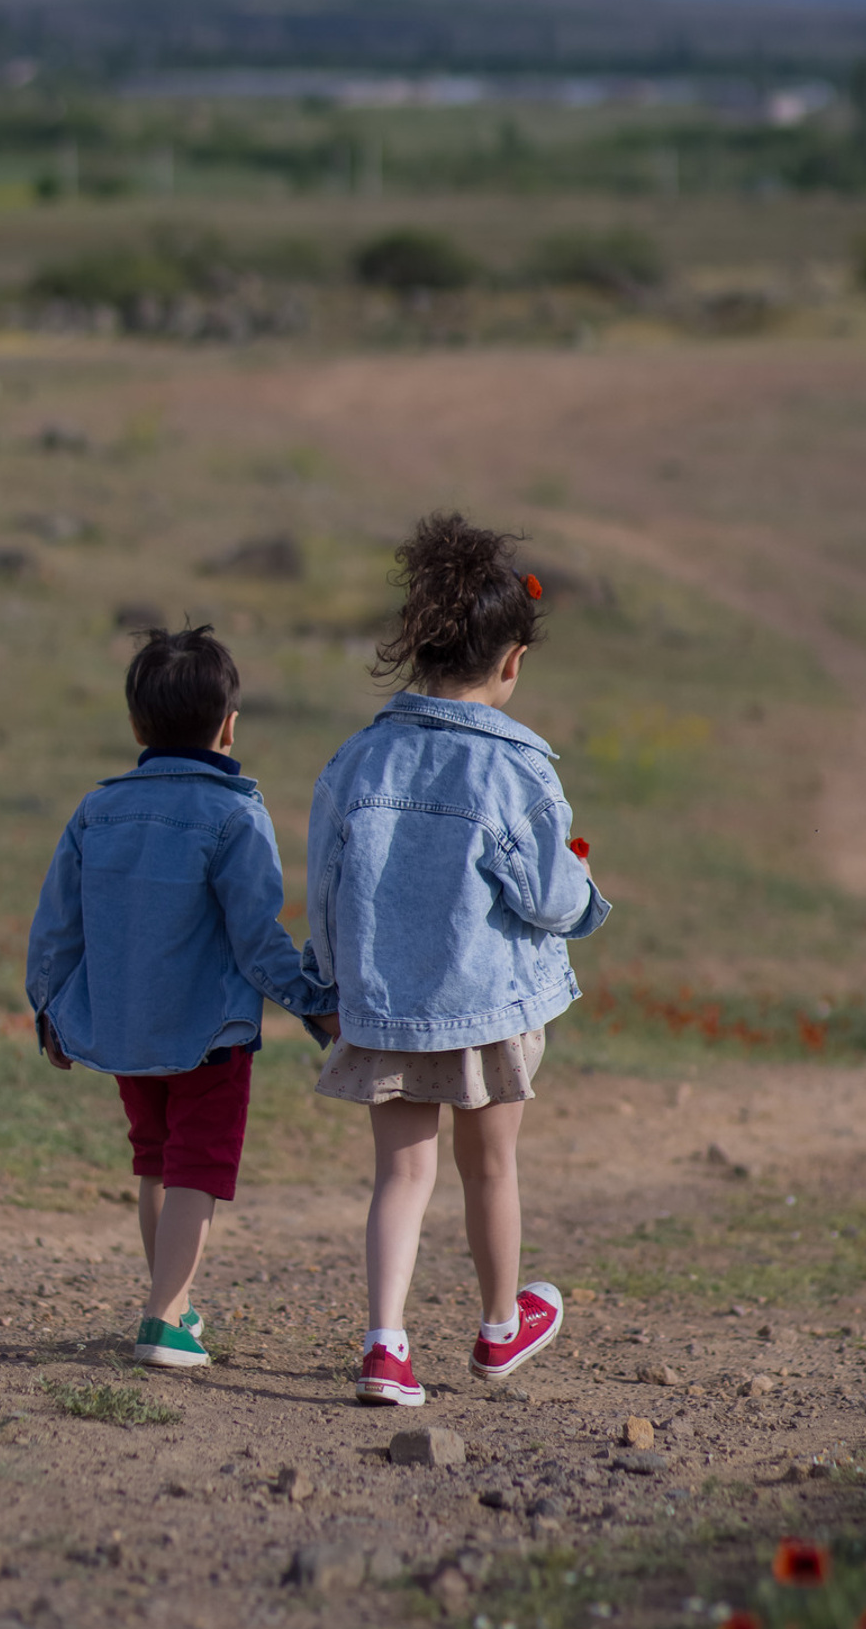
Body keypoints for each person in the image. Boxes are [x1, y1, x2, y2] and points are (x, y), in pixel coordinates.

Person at [307, 513, 610, 1407]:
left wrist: (330, 980)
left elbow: (325, 883)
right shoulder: (518, 771)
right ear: (512, 662)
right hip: (490, 1009)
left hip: (384, 1006)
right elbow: (551, 897)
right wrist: (585, 888)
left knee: (400, 1175)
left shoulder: (357, 758)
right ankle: (496, 1328)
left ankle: (384, 1345)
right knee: (491, 1169)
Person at [26, 623, 336, 1369]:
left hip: (125, 1031)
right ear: (230, 727)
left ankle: (178, 1305)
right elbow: (258, 940)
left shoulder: (96, 810)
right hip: (210, 1036)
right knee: (196, 1166)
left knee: (156, 1161)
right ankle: (163, 1318)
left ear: (137, 725)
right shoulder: (235, 813)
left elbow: (55, 929)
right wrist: (315, 1006)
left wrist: (50, 1011)